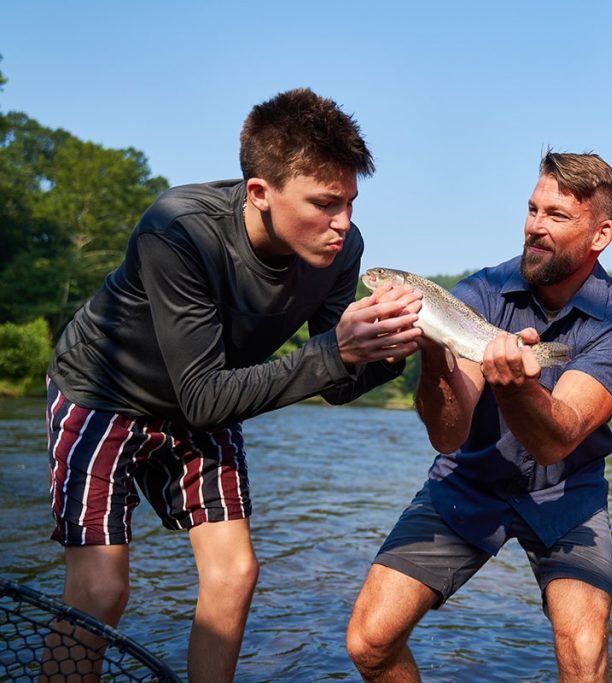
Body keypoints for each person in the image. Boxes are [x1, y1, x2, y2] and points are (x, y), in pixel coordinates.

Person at [44, 87, 423, 683]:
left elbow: (338, 385)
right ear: (259, 193)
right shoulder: (177, 229)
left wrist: (389, 348)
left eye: (350, 201)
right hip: (104, 392)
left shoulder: (342, 248)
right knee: (101, 589)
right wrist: (337, 349)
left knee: (235, 575)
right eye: (324, 203)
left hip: (207, 395)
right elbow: (204, 396)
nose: (342, 224)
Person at [345, 152, 612, 681]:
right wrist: (436, 349)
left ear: (601, 235)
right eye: (532, 210)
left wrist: (517, 389)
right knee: (370, 642)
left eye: (556, 216)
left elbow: (557, 440)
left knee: (584, 655)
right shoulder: (477, 293)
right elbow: (446, 434)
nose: (535, 227)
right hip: (472, 477)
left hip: (566, 494)